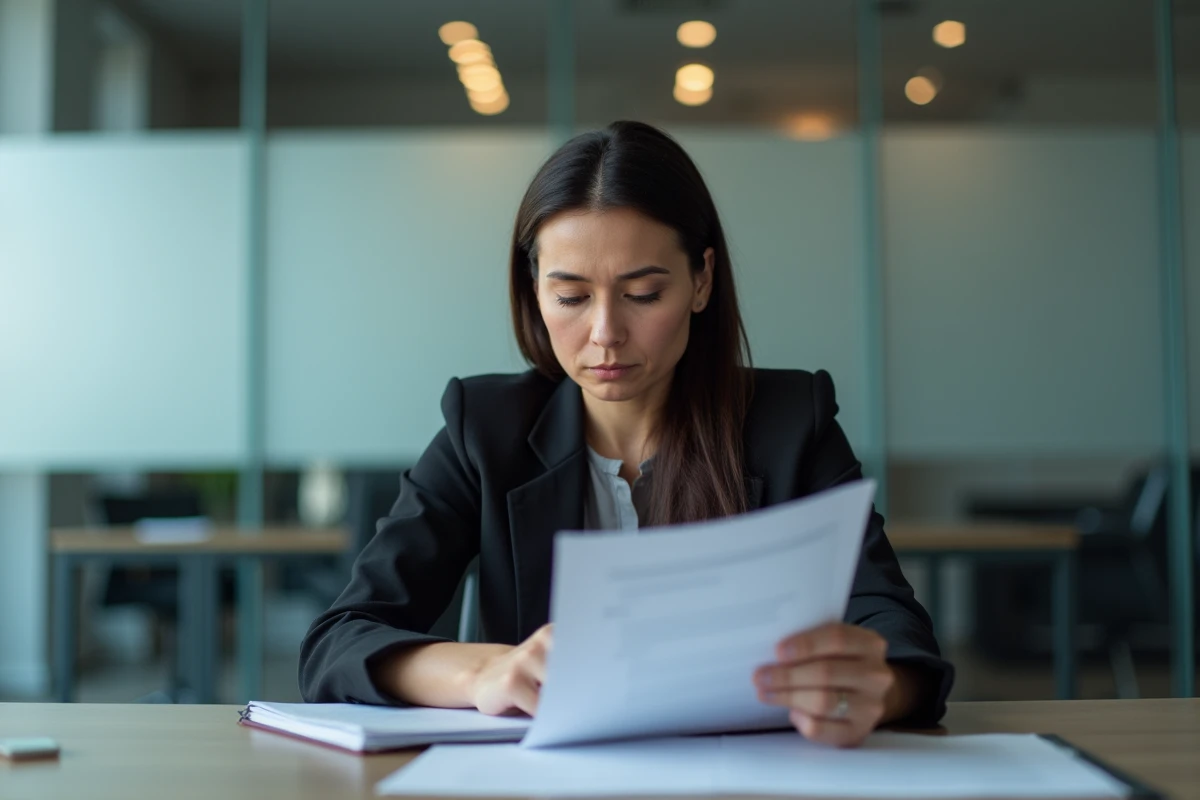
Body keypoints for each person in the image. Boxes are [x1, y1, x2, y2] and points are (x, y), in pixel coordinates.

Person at [299, 120, 953, 748]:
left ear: (701, 280)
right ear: (534, 293)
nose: (606, 332)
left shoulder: (789, 422)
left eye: (642, 294)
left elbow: (894, 628)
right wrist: (481, 673)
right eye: (572, 296)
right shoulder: (485, 428)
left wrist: (876, 689)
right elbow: (342, 638)